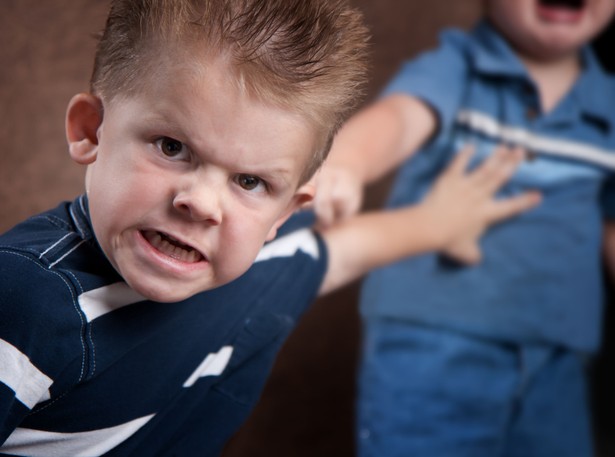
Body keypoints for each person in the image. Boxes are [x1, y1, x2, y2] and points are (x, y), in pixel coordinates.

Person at [0, 0, 540, 455]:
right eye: (172, 147)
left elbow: (338, 253)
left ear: (284, 213)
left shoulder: (245, 274)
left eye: (251, 182)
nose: (203, 205)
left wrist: (440, 222)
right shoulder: (25, 301)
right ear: (90, 131)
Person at [313, 0, 615, 456]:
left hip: (558, 355)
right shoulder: (458, 66)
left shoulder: (608, 102)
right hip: (432, 342)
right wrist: (349, 161)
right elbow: (399, 118)